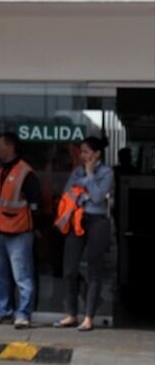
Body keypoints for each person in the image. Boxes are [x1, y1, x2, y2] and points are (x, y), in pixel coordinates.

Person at [0, 132, 43, 330]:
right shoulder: (0, 172)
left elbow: (35, 205)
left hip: (19, 233)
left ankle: (23, 314)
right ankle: (1, 310)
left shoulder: (25, 173)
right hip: (0, 231)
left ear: (10, 147)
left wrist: (35, 228)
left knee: (22, 276)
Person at [53, 136, 114, 332]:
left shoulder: (107, 172)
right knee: (69, 269)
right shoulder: (76, 171)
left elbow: (96, 197)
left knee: (94, 269)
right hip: (77, 219)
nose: (83, 155)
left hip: (98, 222)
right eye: (81, 151)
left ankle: (88, 317)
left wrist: (88, 178)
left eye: (87, 151)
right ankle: (71, 313)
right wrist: (88, 188)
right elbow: (69, 193)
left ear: (97, 154)